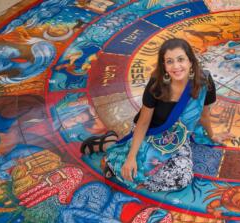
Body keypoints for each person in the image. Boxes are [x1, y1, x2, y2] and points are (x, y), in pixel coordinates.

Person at [82, 38, 232, 192]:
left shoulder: (204, 82)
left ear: (190, 62)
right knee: (133, 165)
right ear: (164, 65)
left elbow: (204, 115)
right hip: (150, 133)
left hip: (177, 137)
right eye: (169, 61)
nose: (176, 66)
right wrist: (132, 157)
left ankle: (118, 157)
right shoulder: (157, 85)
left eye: (181, 60)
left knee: (183, 177)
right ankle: (112, 153)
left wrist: (213, 135)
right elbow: (143, 122)